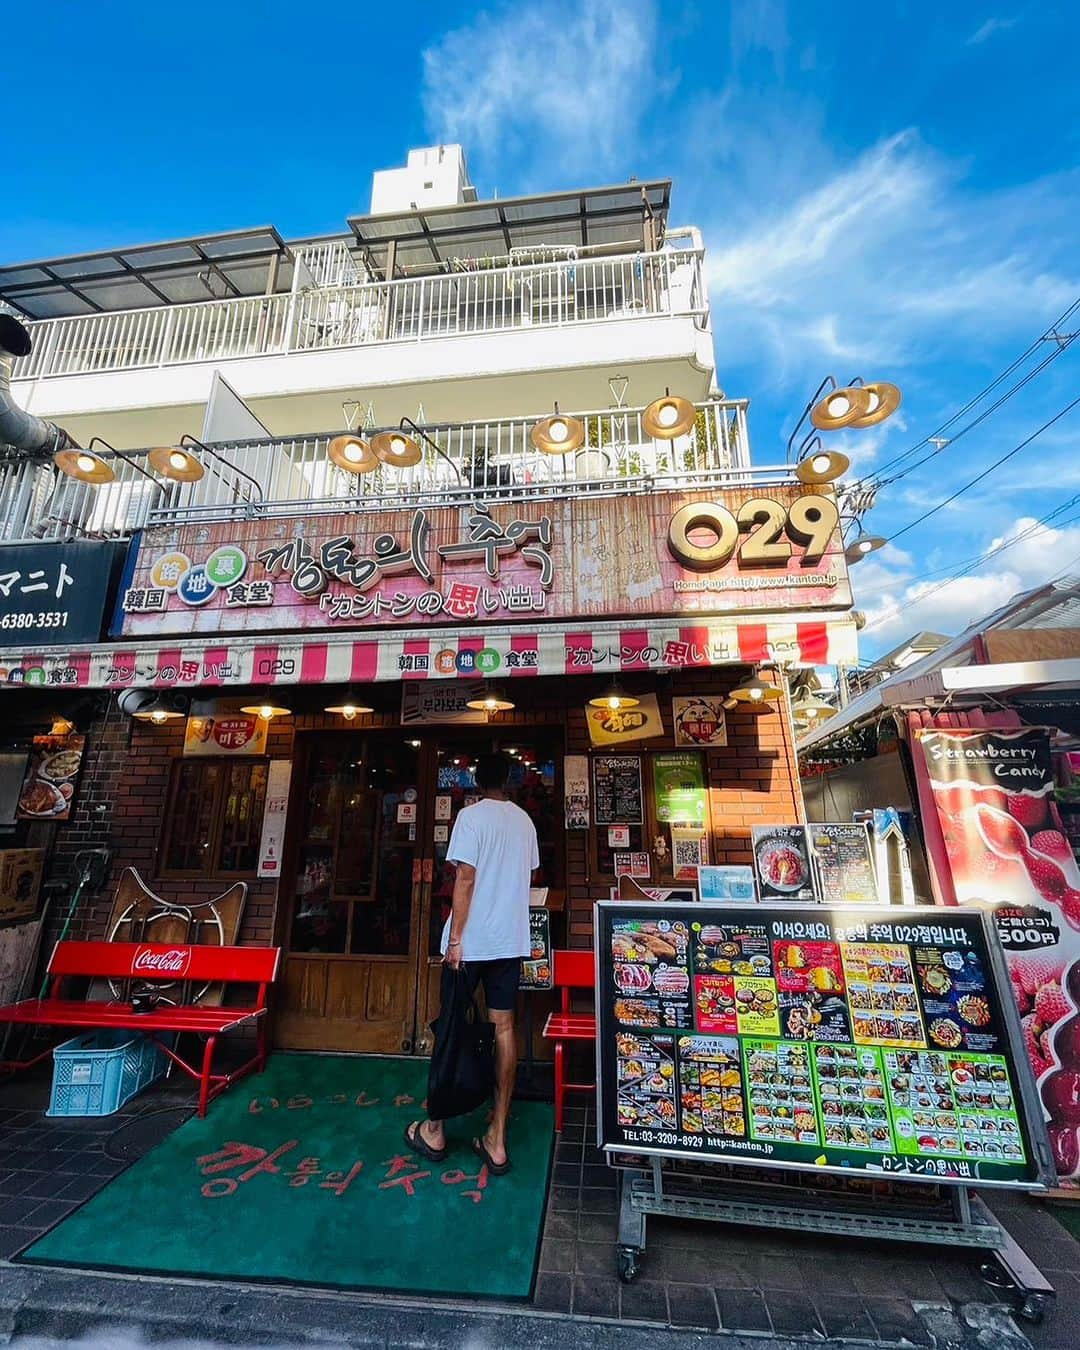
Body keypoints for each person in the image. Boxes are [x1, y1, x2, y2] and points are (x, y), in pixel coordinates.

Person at [405, 751, 538, 1175]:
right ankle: (497, 1135)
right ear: (510, 780)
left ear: (479, 781)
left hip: (472, 944)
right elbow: (527, 876)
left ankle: (436, 1128)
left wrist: (457, 938)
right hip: (510, 941)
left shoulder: (471, 818)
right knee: (503, 1028)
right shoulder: (524, 822)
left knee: (451, 1025)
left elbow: (465, 877)